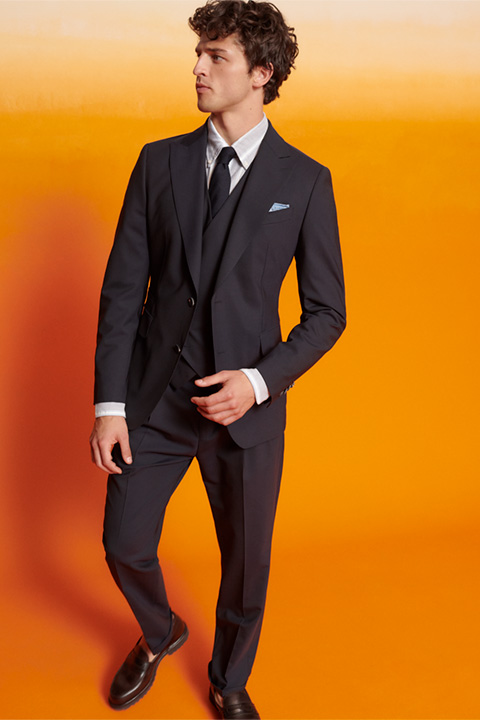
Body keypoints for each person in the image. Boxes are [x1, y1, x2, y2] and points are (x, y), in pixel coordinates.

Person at [89, 1, 346, 717]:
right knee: (123, 542)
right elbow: (122, 292)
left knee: (246, 568)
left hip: (246, 415)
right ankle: (160, 631)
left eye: (216, 56)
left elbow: (328, 313)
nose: (198, 68)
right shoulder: (158, 162)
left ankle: (229, 681)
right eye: (198, 54)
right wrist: (110, 404)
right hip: (155, 402)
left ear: (261, 73)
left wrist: (258, 383)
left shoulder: (305, 181)